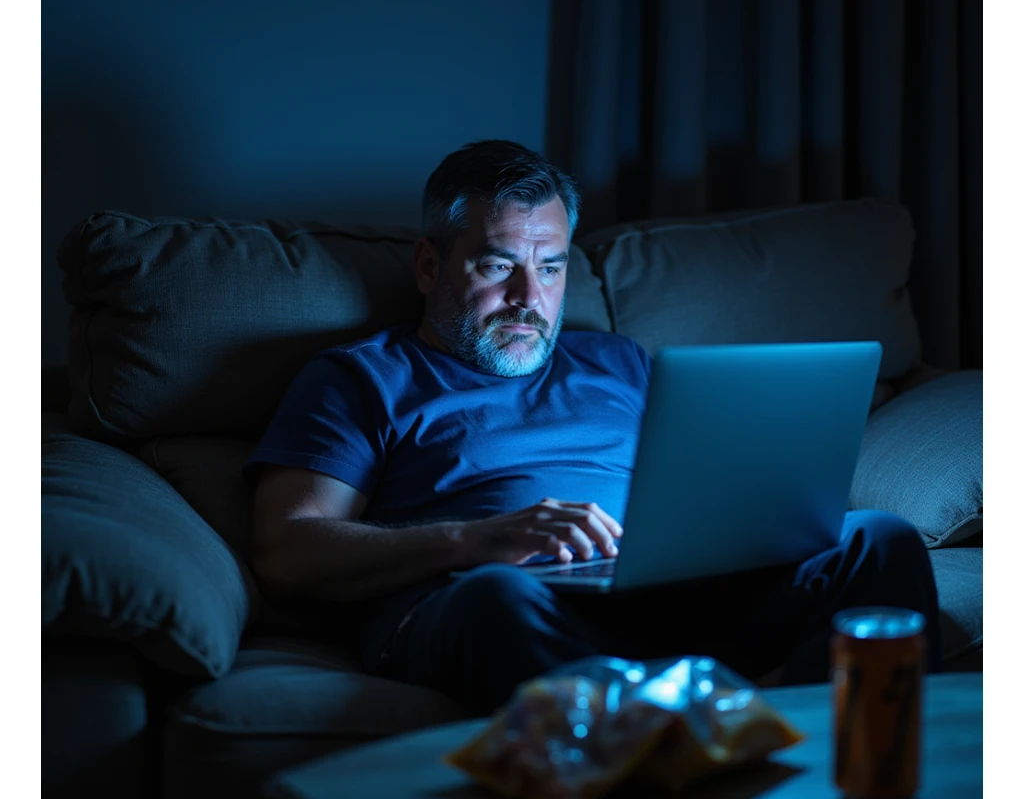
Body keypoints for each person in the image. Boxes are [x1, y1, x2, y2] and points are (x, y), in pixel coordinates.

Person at [246, 139, 942, 715]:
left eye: (550, 268)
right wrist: (480, 540)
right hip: (493, 601)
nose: (529, 298)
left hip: (663, 595)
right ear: (430, 265)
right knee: (499, 594)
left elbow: (709, 495)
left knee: (878, 538)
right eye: (498, 265)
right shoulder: (361, 378)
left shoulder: (617, 361)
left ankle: (825, 760)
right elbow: (288, 551)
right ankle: (646, 765)